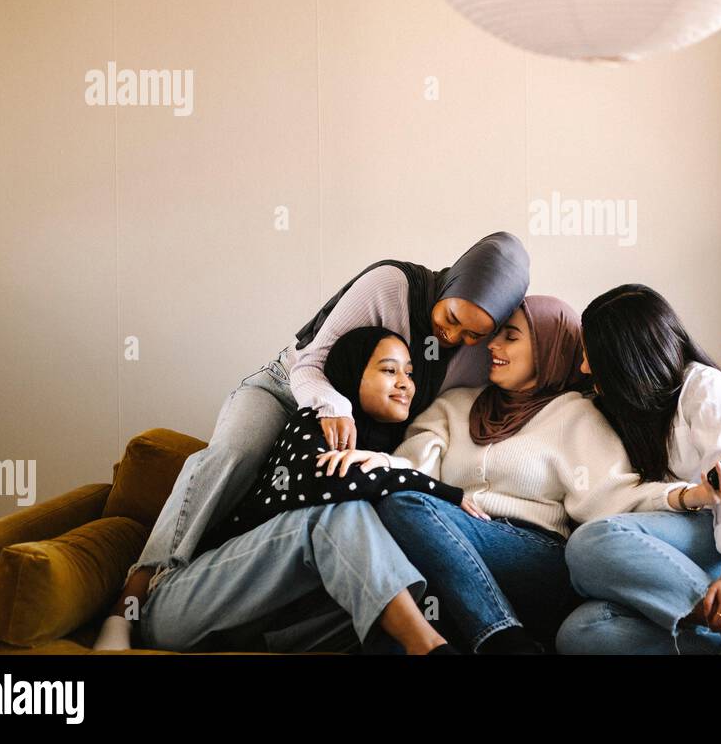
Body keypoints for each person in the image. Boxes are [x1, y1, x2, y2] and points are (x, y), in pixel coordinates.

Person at [94, 232, 529, 650]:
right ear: (452, 282)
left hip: (361, 421)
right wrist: (334, 412)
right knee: (234, 454)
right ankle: (130, 601)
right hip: (291, 388)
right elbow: (312, 363)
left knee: (371, 523)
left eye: (474, 335)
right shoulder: (391, 285)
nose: (454, 337)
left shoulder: (470, 351)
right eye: (451, 319)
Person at [354, 295, 721, 653]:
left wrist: (684, 496)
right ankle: (500, 636)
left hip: (537, 558)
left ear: (547, 347)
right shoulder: (454, 405)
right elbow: (413, 471)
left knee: (408, 508)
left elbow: (613, 498)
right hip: (454, 540)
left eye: (511, 337)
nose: (492, 346)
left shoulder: (575, 414)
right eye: (495, 336)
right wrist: (378, 464)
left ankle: (503, 641)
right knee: (399, 506)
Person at [134, 327, 460, 654]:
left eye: (409, 373)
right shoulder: (311, 423)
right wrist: (452, 495)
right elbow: (328, 485)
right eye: (389, 370)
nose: (405, 382)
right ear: (353, 372)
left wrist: (391, 466)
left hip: (268, 630)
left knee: (400, 549)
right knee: (337, 511)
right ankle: (428, 647)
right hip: (178, 608)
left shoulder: (380, 451)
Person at [554, 283, 721, 655]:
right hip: (685, 565)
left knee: (588, 544)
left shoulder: (704, 387)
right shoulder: (625, 415)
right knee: (579, 632)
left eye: (591, 355)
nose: (583, 367)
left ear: (626, 358)